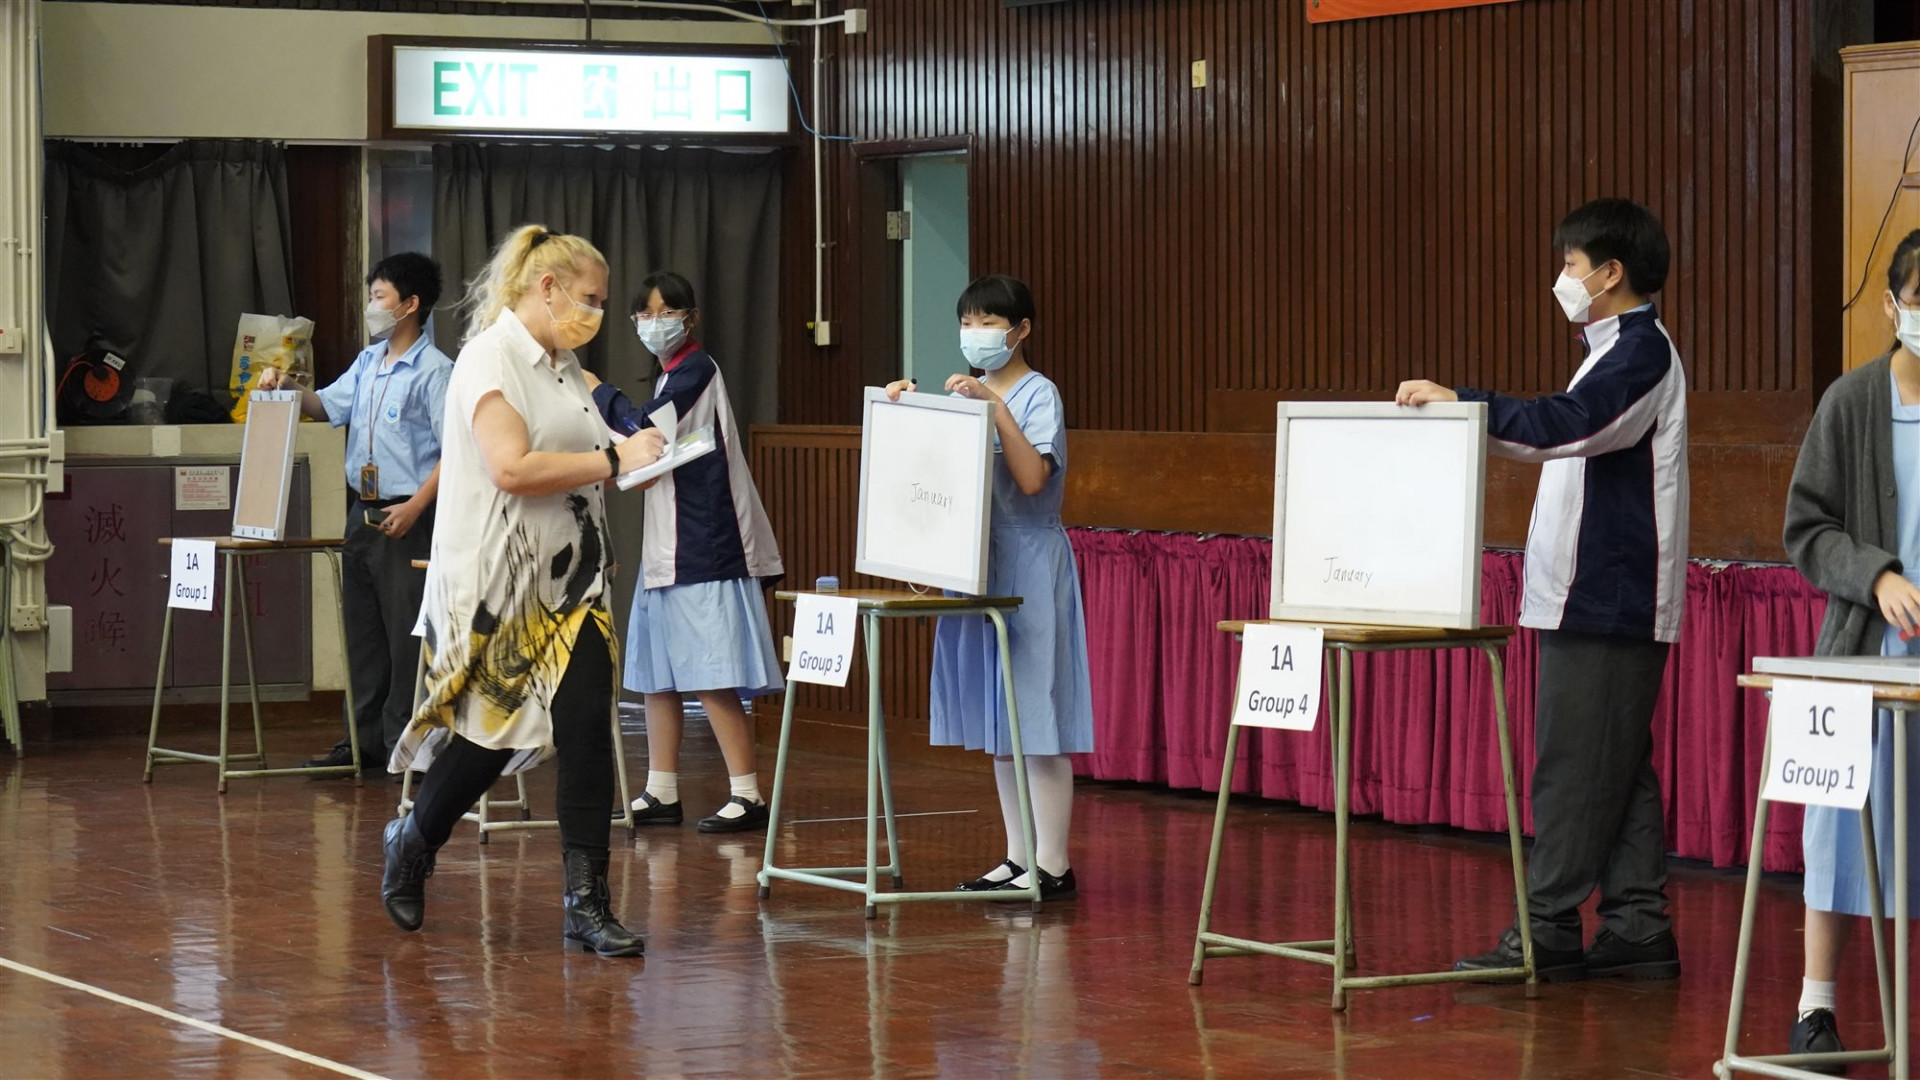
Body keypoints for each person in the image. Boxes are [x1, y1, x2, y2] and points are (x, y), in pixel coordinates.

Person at [1396, 198, 1689, 980]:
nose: (1563, 277)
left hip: (1610, 595)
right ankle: (1637, 925)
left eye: (1570, 265)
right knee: (1616, 764)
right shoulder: (1611, 348)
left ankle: (1547, 928)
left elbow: (1572, 425)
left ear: (1610, 272)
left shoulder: (1640, 351)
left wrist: (1467, 405)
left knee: (1573, 766)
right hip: (1594, 593)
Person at [379, 225, 665, 958]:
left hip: (573, 583)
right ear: (547, 288)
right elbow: (510, 468)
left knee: (587, 728)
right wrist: (613, 460)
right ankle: (414, 840)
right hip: (499, 586)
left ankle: (587, 904)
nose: (598, 312)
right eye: (590, 298)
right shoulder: (490, 358)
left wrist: (637, 453)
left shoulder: (565, 367)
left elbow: (592, 444)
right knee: (487, 739)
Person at [882, 274, 1094, 901]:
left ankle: (1053, 864)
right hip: (975, 563)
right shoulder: (962, 395)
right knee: (1001, 721)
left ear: (1021, 330)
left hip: (1028, 559)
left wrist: (994, 409)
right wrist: (903, 412)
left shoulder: (1037, 393)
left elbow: (1031, 480)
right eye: (967, 322)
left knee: (1035, 715)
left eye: (989, 323)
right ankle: (1017, 856)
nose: (975, 334)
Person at [1780, 228, 1920, 1067]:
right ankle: (1816, 1009)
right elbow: (1807, 529)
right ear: (1893, 304)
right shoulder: (1851, 401)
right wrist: (1877, 576)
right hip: (1863, 654)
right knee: (1838, 829)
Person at [587, 271, 785, 834]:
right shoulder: (669, 375)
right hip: (666, 546)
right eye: (644, 314)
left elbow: (644, 428)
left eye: (666, 312)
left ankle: (747, 793)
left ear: (690, 318)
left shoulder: (696, 369)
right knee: (657, 674)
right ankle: (661, 790)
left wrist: (597, 389)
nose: (655, 323)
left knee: (710, 673)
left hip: (704, 543)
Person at [258, 252, 451, 774]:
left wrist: (416, 505)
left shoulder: (436, 372)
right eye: (371, 296)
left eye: (379, 297)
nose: (372, 306)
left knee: (406, 636)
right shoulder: (368, 362)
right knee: (362, 633)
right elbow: (325, 405)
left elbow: (457, 452)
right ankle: (362, 744)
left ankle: (406, 747)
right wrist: (285, 385)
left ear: (410, 305)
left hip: (409, 515)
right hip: (361, 512)